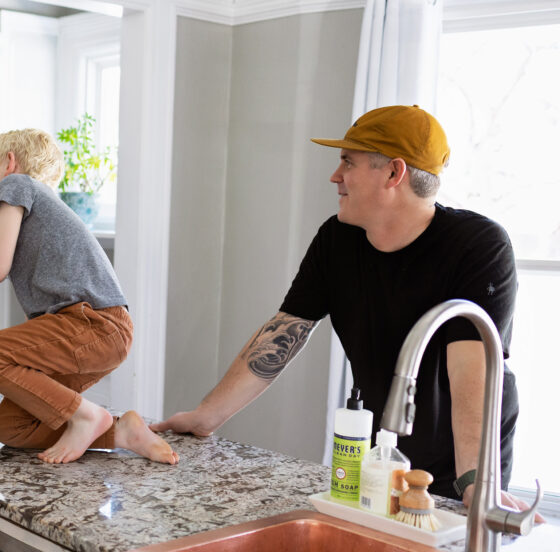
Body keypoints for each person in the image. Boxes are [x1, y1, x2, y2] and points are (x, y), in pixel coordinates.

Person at [152, 104, 537, 515]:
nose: (335, 176)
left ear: (393, 173)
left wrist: (475, 481)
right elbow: (284, 332)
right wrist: (207, 415)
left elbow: (470, 371)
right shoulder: (337, 239)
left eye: (348, 162)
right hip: (385, 446)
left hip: (465, 455)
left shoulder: (478, 245)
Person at [0, 128, 177, 465]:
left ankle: (86, 416)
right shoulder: (39, 207)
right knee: (12, 427)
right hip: (99, 332)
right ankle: (122, 432)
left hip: (93, 325)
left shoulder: (16, 184)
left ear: (9, 162)